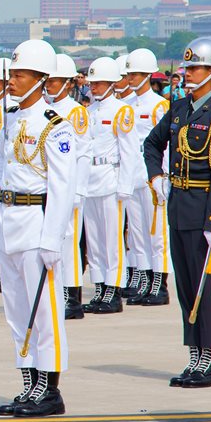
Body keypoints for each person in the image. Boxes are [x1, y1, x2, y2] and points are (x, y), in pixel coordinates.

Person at [0, 39, 76, 418]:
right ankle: (29, 382)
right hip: (9, 219)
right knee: (16, 309)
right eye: (13, 74)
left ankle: (49, 389)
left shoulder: (55, 127)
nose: (13, 80)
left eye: (21, 75)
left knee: (45, 310)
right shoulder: (10, 118)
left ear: (41, 80)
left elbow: (63, 185)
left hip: (37, 222)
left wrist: (53, 237)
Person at [144, 37, 211, 388]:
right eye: (187, 67)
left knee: (206, 284)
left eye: (196, 68)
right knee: (185, 283)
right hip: (179, 203)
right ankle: (194, 354)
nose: (188, 73)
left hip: (205, 209)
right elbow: (152, 144)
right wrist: (156, 176)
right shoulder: (180, 108)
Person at [80, 57, 140, 314]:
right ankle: (100, 287)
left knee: (111, 239)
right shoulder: (87, 112)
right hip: (90, 180)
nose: (93, 88)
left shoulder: (121, 110)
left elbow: (129, 152)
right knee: (94, 239)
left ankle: (114, 289)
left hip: (110, 178)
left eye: (99, 83)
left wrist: (125, 186)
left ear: (112, 83)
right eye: (92, 83)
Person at [122, 48, 171, 305]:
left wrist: (162, 176)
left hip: (153, 177)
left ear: (147, 75)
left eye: (135, 74)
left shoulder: (160, 105)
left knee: (157, 233)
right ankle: (144, 279)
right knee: (137, 233)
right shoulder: (126, 106)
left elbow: (166, 145)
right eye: (129, 74)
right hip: (132, 175)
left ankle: (159, 284)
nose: (130, 78)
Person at [44, 54, 90, 319]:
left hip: (71, 188)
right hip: (52, 186)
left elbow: (83, 154)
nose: (49, 85)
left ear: (67, 83)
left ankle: (72, 295)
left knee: (70, 240)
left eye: (54, 81)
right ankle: (58, 288)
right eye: (48, 80)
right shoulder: (46, 109)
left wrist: (77, 191)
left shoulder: (76, 112)